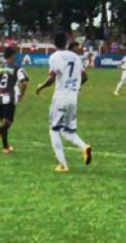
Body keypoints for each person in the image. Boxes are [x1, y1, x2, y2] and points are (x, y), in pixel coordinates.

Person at [36, 32, 92, 173]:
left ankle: (63, 165)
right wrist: (76, 87)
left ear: (54, 43)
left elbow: (52, 77)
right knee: (67, 131)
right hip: (73, 97)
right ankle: (84, 146)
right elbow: (84, 76)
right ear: (66, 43)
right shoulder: (75, 57)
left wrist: (41, 87)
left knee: (53, 130)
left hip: (60, 96)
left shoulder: (55, 57)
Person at [0, 47, 29, 153]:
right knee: (8, 122)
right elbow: (24, 82)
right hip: (9, 97)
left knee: (4, 122)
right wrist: (22, 95)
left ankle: (5, 147)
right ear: (13, 55)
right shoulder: (17, 68)